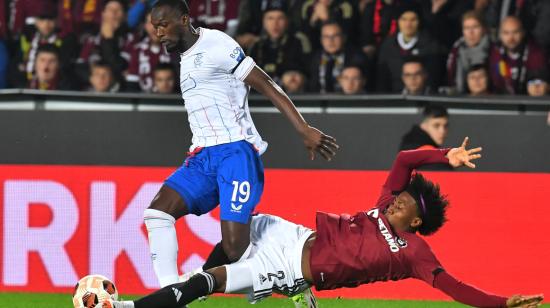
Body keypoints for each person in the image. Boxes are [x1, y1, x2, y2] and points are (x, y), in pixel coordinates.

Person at [103, 140, 544, 308]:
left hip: (293, 268)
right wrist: (445, 156)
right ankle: (179, 293)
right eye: (399, 196)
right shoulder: (385, 201)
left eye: (403, 201)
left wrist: (501, 303)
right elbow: (405, 159)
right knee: (232, 238)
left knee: (211, 281)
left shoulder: (414, 254)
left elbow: (455, 288)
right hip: (290, 235)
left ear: (416, 218)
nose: (394, 201)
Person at [145, 0, 339, 293]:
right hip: (202, 157)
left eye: (163, 25)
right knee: (157, 214)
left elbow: (266, 83)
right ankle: (170, 296)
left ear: (184, 20)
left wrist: (303, 128)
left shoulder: (216, 44)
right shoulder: (185, 56)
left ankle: (294, 283)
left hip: (235, 152)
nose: (158, 33)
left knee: (236, 250)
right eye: (154, 27)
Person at [375, 3, 443, 93]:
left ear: (419, 21)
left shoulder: (431, 45)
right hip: (394, 99)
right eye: (404, 19)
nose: (408, 24)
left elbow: (433, 78)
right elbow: (382, 79)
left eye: (413, 20)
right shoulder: (388, 45)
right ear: (398, 21)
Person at [248, 2, 311, 85]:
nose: (275, 24)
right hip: (258, 94)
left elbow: (308, 73)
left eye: (280, 18)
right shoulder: (256, 45)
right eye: (270, 18)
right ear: (264, 22)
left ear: (287, 21)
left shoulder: (298, 42)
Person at [489, 16, 548, 95]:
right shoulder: (496, 54)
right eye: (506, 33)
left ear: (522, 33)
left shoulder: (535, 54)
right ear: (500, 35)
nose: (511, 38)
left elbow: (540, 82)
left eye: (515, 32)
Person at [308, 21, 365, 93]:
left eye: (335, 36)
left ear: (344, 37)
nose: (330, 41)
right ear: (321, 40)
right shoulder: (315, 58)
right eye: (326, 37)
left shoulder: (357, 57)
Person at [126, 11, 175, 93]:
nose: (154, 28)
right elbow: (132, 86)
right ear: (145, 26)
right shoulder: (137, 51)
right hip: (145, 102)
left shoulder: (176, 50)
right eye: (150, 23)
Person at [446, 10, 491, 94]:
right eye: (466, 28)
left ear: (484, 29)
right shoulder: (456, 50)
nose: (471, 32)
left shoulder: (493, 51)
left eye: (475, 27)